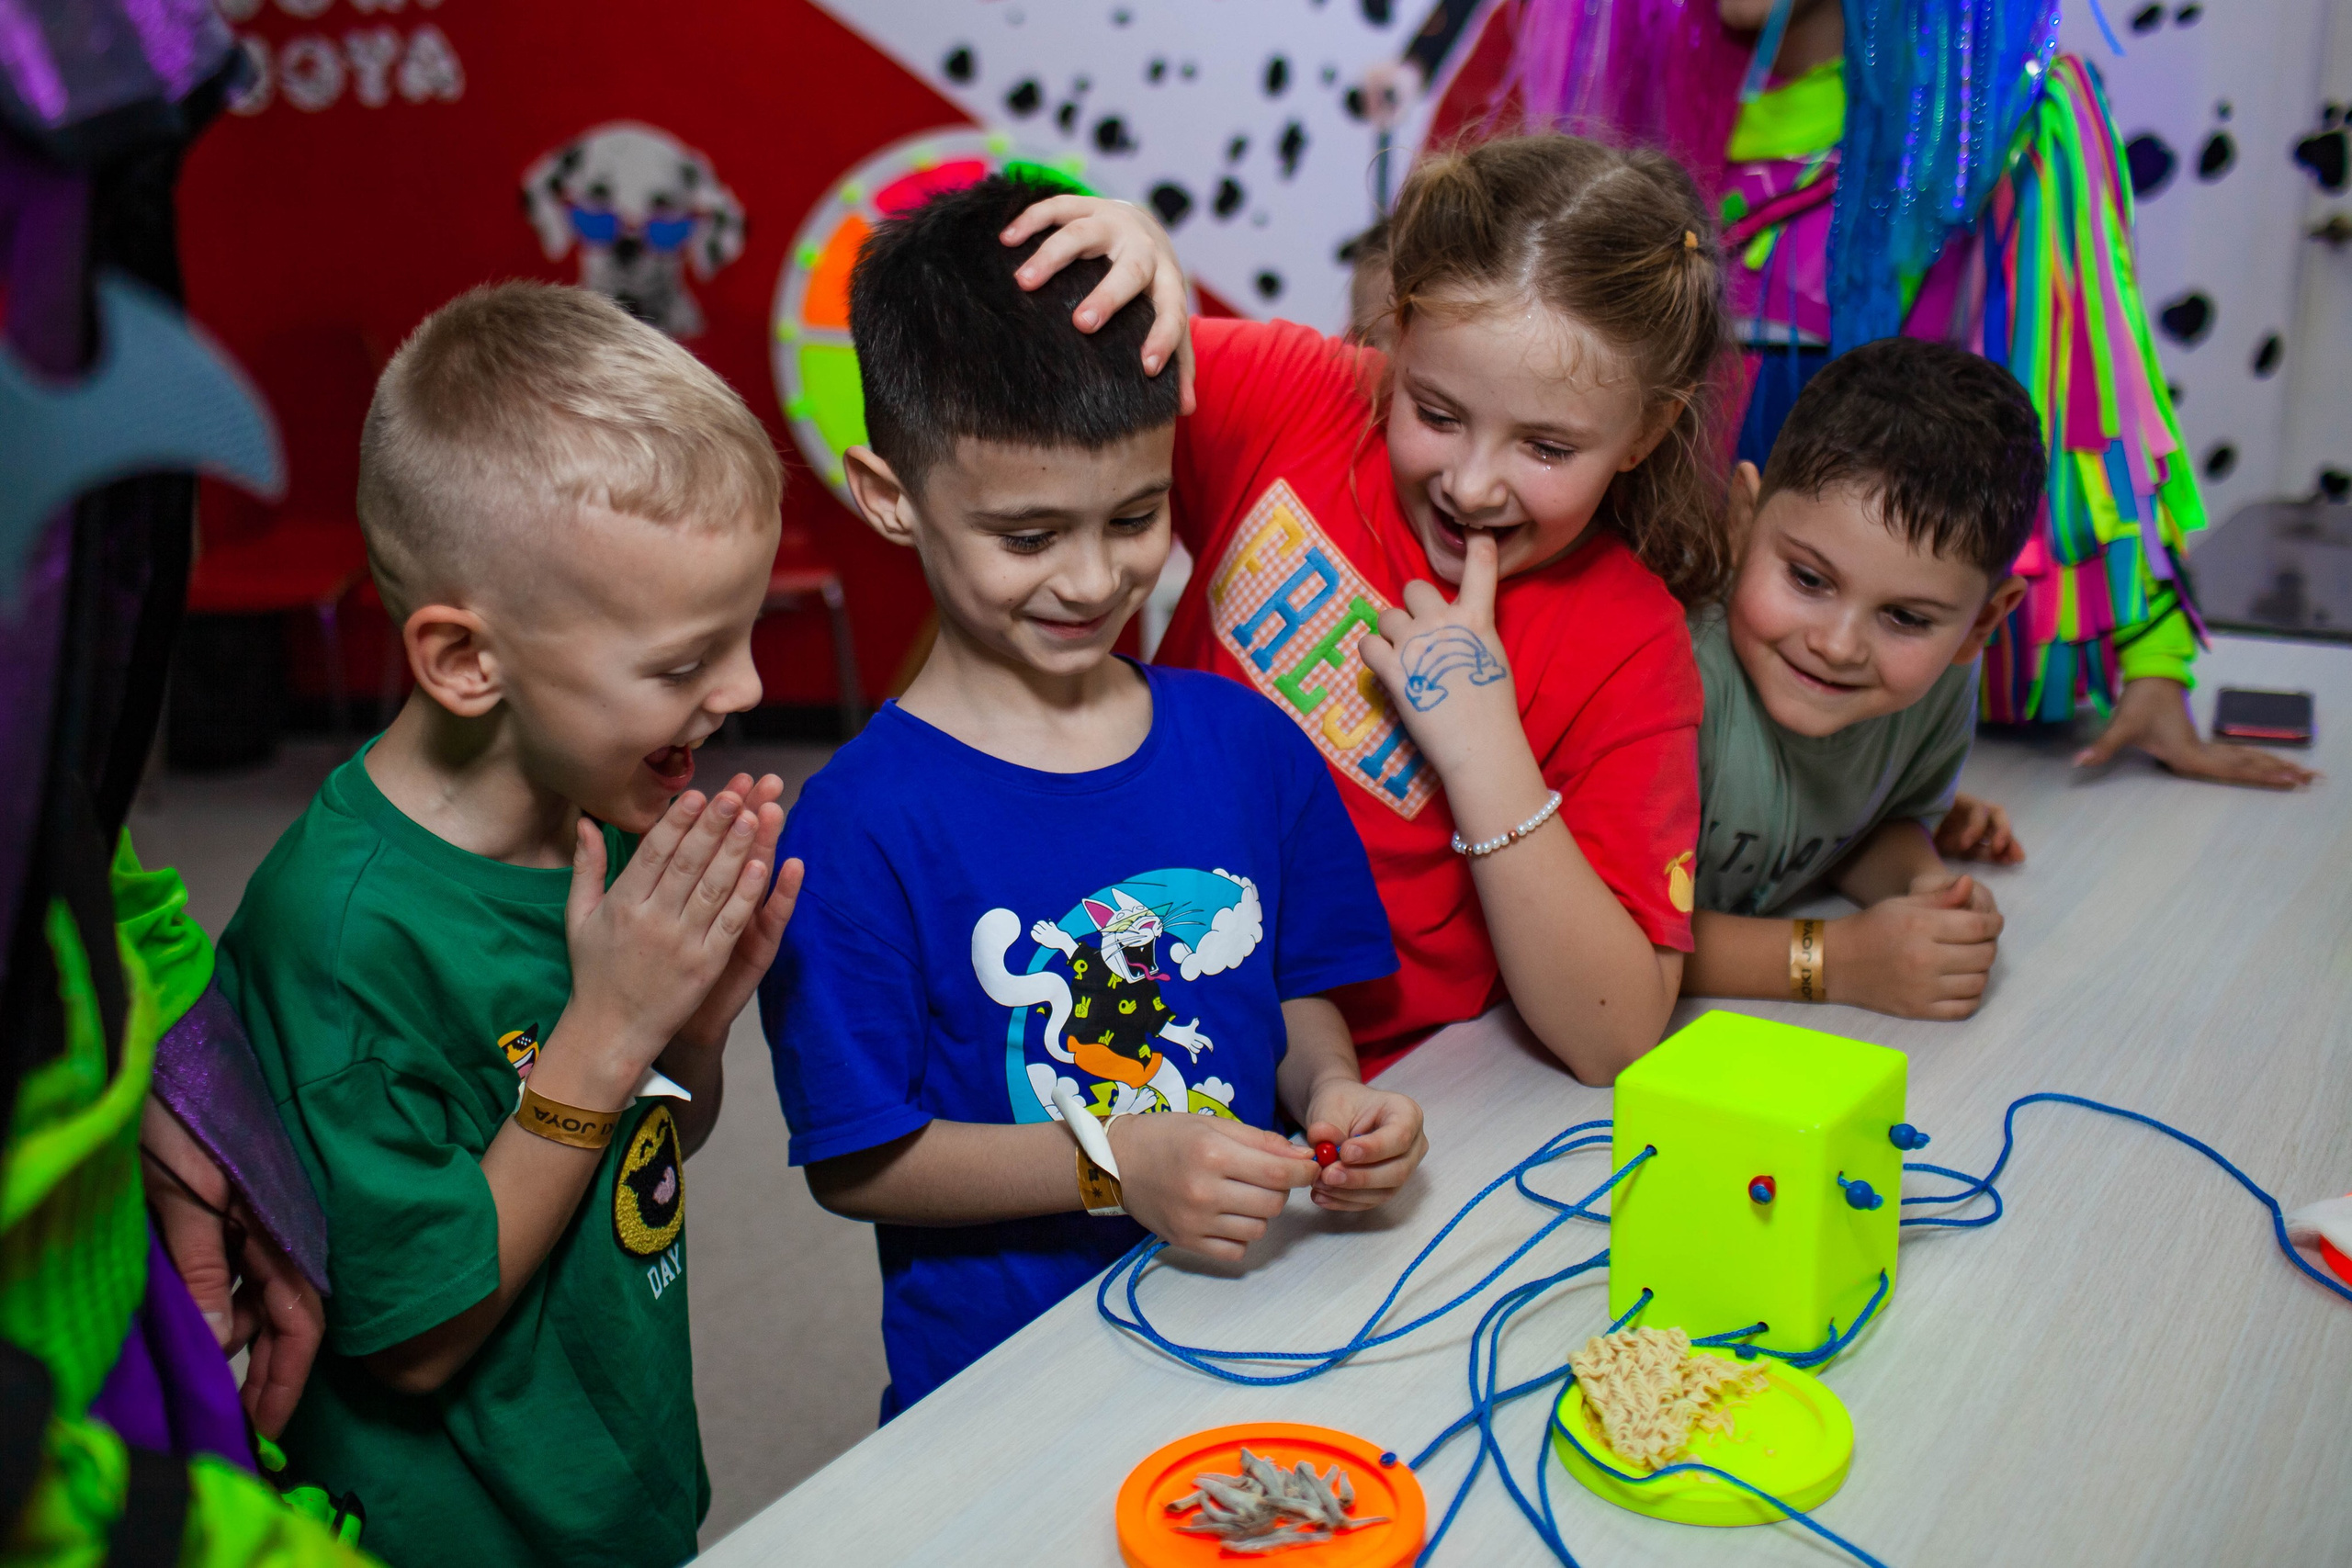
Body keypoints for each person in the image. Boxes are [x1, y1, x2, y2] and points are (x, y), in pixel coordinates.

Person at [760, 175, 1425, 1419]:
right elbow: (857, 1160)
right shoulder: (854, 828)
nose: (1089, 578)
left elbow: (1292, 989)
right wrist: (1108, 1161)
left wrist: (1331, 1092)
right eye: (1026, 536)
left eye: (1135, 515)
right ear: (892, 496)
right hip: (1002, 1393)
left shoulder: (1244, 743)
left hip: (1251, 1321)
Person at [217, 282, 804, 1568]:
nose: (749, 686)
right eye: (682, 661)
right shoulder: (341, 942)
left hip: (616, 1480)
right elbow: (416, 1339)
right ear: (467, 661)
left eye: (746, 633)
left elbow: (649, 1152)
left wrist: (688, 1037)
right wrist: (609, 1030)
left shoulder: (603, 807)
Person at [1000, 133, 1726, 1084]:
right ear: (1398, 332)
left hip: (1385, 1091)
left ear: (1648, 430)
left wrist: (1484, 752)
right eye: (1437, 413)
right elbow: (993, 371)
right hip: (1117, 1004)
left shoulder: (1630, 647)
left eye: (1546, 448)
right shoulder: (1296, 397)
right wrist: (1123, 260)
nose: (1471, 485)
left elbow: (1612, 1035)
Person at [1680, 337, 2037, 1019]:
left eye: (1905, 617)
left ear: (1982, 623)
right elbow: (1598, 938)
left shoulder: (1934, 682)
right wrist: (1831, 960)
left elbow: (1864, 826)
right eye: (1808, 579)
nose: (1838, 646)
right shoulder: (1666, 672)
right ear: (1742, 523)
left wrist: (1924, 890)